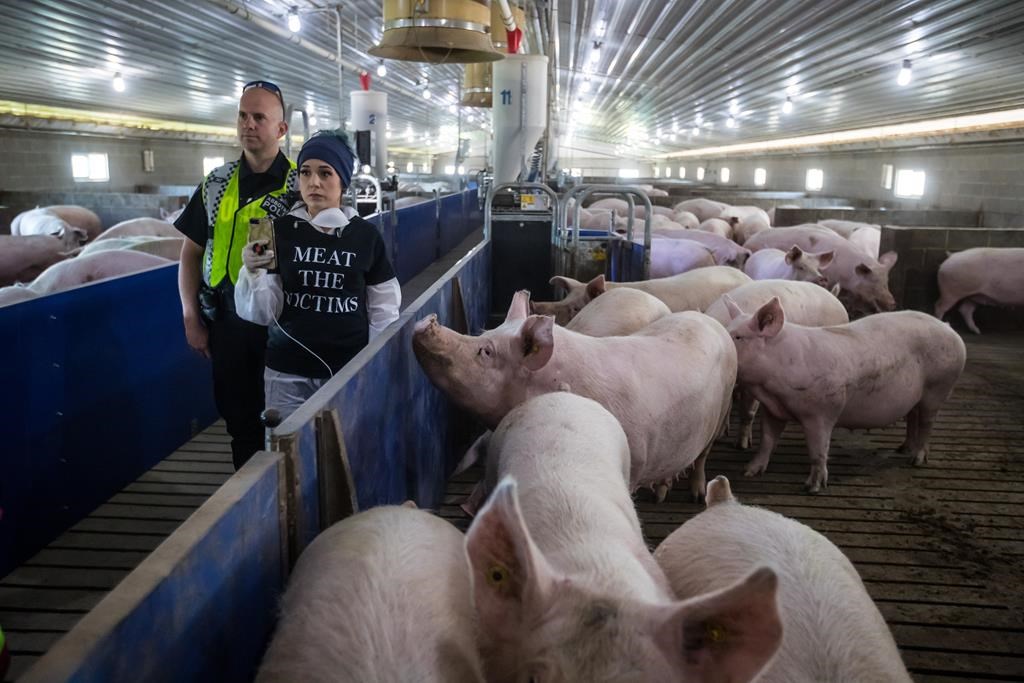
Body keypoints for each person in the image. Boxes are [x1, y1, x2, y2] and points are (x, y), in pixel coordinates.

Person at [233, 129, 401, 420]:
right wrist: (251, 272)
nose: (314, 182)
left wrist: (374, 364)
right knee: (286, 453)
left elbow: (383, 309)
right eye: (306, 172)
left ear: (343, 182)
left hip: (347, 369)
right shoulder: (276, 231)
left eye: (325, 173)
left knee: (345, 450)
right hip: (286, 371)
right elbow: (263, 312)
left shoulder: (365, 236)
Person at [175, 80, 298, 470]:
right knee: (239, 419)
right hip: (226, 322)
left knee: (285, 418)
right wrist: (191, 315)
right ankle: (248, 500)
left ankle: (287, 497)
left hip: (281, 323)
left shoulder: (300, 185)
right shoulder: (215, 183)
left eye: (259, 117)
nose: (248, 124)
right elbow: (191, 253)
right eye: (243, 116)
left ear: (281, 129)